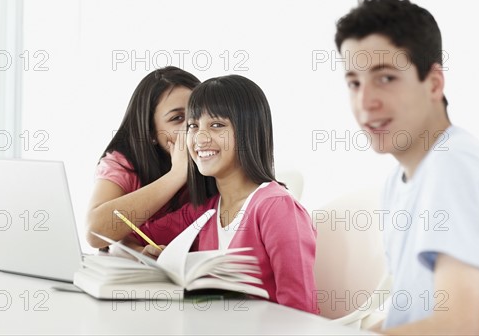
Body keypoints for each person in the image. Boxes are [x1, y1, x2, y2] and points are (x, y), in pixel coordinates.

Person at [335, 0, 479, 335]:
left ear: (433, 82)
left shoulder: (453, 168)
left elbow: (460, 327)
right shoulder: (401, 179)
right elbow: (416, 317)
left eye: (385, 78)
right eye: (354, 82)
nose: (365, 102)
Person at [127, 75, 319, 314]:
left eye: (216, 125)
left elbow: (301, 313)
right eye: (193, 126)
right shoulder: (203, 212)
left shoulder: (276, 208)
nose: (199, 138)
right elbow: (125, 232)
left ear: (248, 132)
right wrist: (154, 258)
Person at [86, 66, 200, 248]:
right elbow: (95, 233)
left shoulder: (214, 160)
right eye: (177, 118)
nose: (192, 126)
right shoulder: (124, 163)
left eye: (198, 114)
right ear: (151, 133)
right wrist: (177, 174)